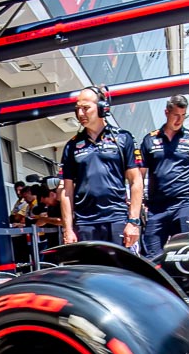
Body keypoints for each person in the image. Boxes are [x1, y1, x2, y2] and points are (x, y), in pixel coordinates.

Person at [61, 88, 144, 246]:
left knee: (120, 270)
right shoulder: (71, 146)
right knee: (89, 270)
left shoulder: (123, 138)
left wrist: (133, 222)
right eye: (77, 109)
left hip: (116, 220)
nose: (80, 114)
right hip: (85, 224)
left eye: (85, 108)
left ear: (102, 108)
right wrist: (68, 229)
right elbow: (67, 191)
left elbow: (136, 181)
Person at [140, 95, 189, 255]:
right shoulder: (150, 140)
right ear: (167, 112)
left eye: (183, 116)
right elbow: (139, 176)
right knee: (151, 257)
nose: (179, 120)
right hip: (156, 208)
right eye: (176, 115)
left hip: (183, 205)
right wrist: (137, 205)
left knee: (187, 256)